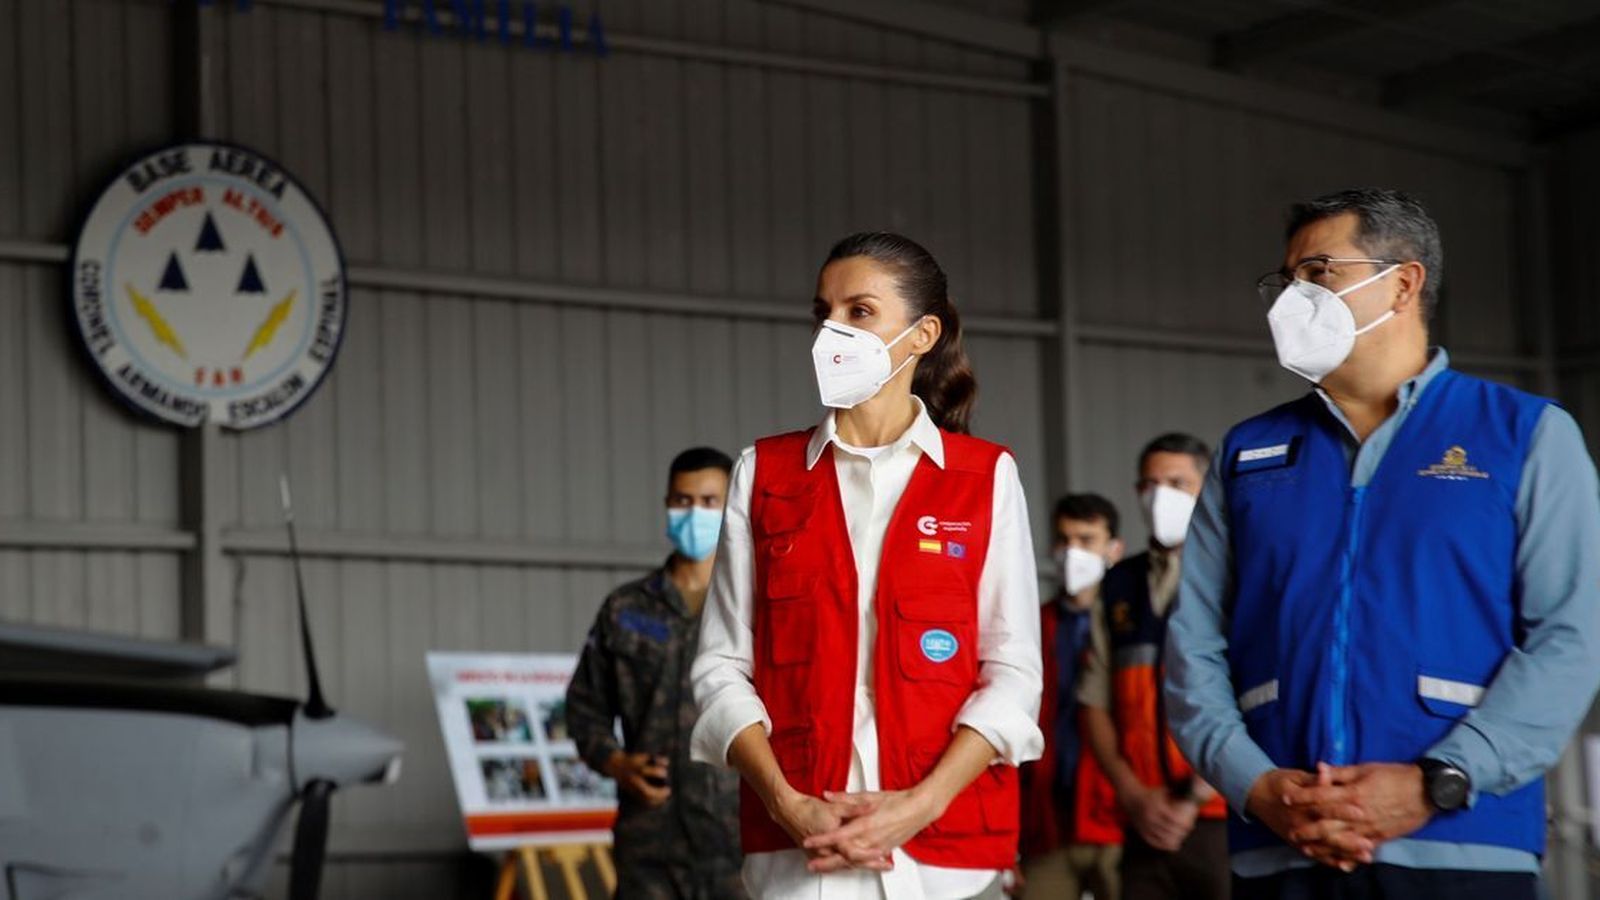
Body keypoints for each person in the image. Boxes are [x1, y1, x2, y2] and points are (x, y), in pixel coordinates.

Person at [1165, 187, 1600, 900]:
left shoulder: (1524, 435)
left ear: (1402, 283)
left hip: (1464, 847)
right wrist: (1257, 786)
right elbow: (1194, 645)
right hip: (1282, 847)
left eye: (1318, 274)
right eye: (1286, 280)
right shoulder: (1250, 453)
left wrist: (1443, 781)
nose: (1291, 300)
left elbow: (1569, 638)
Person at [690, 232, 1044, 900]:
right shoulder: (763, 474)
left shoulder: (984, 478)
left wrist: (919, 806)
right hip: (801, 858)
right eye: (823, 311)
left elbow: (1014, 672)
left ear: (921, 334)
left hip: (948, 863)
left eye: (859, 311)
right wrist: (787, 803)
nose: (832, 329)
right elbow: (719, 668)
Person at [566, 447, 746, 899]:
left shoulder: (755, 608)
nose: (694, 513)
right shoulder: (626, 609)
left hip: (740, 838)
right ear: (667, 504)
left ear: (732, 508)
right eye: (682, 501)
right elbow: (584, 707)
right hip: (650, 841)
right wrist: (617, 763)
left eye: (709, 502)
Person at [1079, 434, 1229, 900]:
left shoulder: (1239, 571)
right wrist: (1132, 794)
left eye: (1176, 483)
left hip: (1225, 816)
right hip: (1143, 819)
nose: (1158, 496)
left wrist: (1193, 796)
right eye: (1148, 484)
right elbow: (1094, 702)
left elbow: (1257, 693)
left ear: (1206, 489)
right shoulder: (1118, 584)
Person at [1017, 494, 1126, 899]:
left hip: (1118, 820)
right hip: (1045, 822)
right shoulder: (1030, 623)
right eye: (1064, 540)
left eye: (1086, 539)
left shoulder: (1132, 626)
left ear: (1114, 549)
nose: (1072, 552)